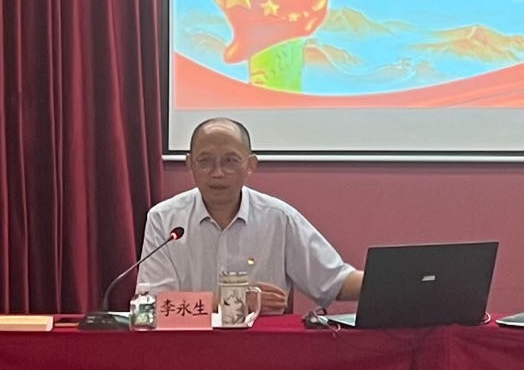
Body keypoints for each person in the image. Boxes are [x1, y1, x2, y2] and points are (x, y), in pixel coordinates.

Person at [134, 117, 362, 314]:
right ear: (190, 164)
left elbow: (336, 282)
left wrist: (383, 280)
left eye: (230, 161)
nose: (217, 173)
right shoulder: (164, 219)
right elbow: (151, 306)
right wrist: (234, 300)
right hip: (187, 345)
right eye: (205, 161)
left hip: (261, 346)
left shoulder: (278, 218)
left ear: (250, 165)